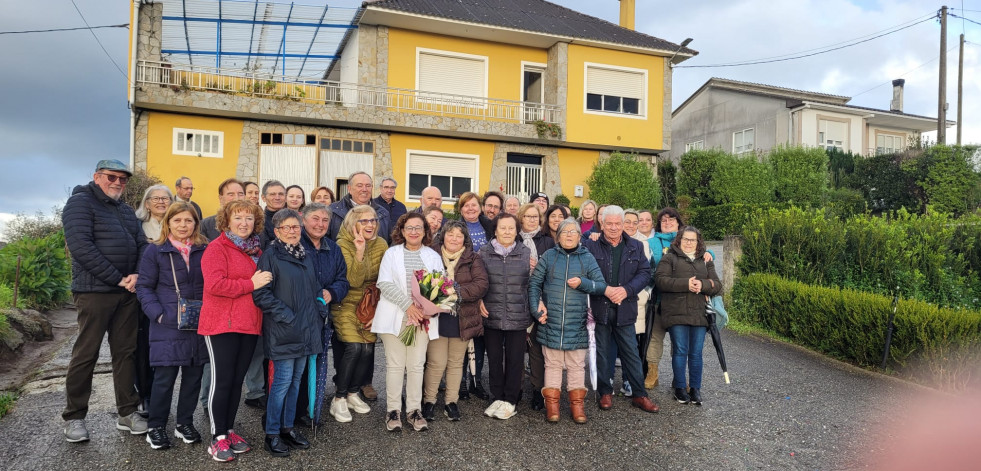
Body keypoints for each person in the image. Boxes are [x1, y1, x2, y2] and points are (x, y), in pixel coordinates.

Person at [62, 159, 148, 443]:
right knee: (86, 354)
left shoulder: (125, 211)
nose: (117, 183)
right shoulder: (80, 203)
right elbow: (81, 247)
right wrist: (117, 278)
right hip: (94, 292)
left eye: (123, 180)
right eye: (112, 177)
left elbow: (141, 244)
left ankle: (127, 412)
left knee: (126, 353)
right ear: (97, 176)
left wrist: (136, 273)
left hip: (126, 293)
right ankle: (74, 416)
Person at [199, 199, 271, 462]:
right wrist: (250, 284)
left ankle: (228, 430)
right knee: (222, 380)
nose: (244, 223)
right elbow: (215, 285)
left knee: (237, 381)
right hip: (221, 324)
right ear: (227, 221)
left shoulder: (254, 251)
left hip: (249, 324)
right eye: (238, 217)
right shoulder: (217, 248)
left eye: (249, 218)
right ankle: (217, 438)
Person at [252, 208, 326, 457]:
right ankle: (271, 433)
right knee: (281, 383)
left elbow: (315, 288)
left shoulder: (305, 255)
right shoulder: (270, 256)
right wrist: (288, 317)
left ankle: (287, 428)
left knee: (295, 383)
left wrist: (319, 310)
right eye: (287, 227)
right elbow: (261, 294)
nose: (293, 231)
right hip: (284, 330)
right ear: (277, 231)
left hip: (306, 330)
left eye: (296, 227)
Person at [135, 202, 208, 450]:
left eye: (188, 221)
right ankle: (156, 426)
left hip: (198, 322)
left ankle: (184, 422)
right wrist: (157, 314)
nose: (183, 225)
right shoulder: (154, 251)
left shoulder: (204, 249)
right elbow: (144, 286)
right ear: (168, 223)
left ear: (195, 224)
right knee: (164, 378)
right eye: (177, 221)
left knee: (193, 376)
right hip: (167, 322)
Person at [581, 206, 659, 413]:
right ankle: (605, 392)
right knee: (603, 352)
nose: (614, 227)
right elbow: (584, 275)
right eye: (609, 224)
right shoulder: (590, 245)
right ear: (602, 224)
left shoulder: (635, 246)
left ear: (623, 224)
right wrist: (605, 290)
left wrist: (626, 290)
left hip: (626, 307)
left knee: (631, 352)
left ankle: (639, 394)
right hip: (601, 307)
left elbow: (644, 273)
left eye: (618, 223)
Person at [528, 218, 607, 423]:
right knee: (552, 364)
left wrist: (583, 283)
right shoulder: (549, 256)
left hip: (578, 322)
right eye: (565, 232)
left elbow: (601, 285)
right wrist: (536, 308)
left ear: (580, 236)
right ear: (558, 236)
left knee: (576, 365)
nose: (569, 235)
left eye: (573, 232)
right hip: (551, 320)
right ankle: (552, 406)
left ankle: (577, 407)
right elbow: (534, 284)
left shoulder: (587, 258)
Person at [372, 213, 444, 432]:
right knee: (395, 365)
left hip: (421, 320)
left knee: (415, 366)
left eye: (418, 228)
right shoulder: (391, 254)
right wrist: (408, 306)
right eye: (409, 228)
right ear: (401, 231)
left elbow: (439, 287)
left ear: (425, 231)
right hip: (395, 316)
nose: (414, 232)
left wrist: (424, 310)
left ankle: (414, 410)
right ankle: (393, 410)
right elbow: (384, 283)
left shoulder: (432, 256)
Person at [422, 220, 489, 422]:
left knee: (455, 363)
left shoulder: (473, 258)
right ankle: (429, 401)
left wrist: (455, 291)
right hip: (437, 317)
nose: (454, 239)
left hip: (462, 317)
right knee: (436, 362)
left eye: (459, 236)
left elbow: (481, 285)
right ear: (443, 235)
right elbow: (423, 280)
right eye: (450, 234)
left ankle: (451, 402)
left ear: (464, 239)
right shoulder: (431, 254)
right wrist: (438, 293)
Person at [643, 207, 712, 390]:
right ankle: (653, 372)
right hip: (657, 298)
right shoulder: (651, 242)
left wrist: (709, 254)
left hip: (681, 304)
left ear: (678, 223)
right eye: (663, 220)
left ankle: (678, 379)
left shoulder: (686, 240)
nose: (667, 223)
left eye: (671, 220)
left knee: (679, 342)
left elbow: (703, 254)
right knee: (655, 338)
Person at [331, 205, 387, 423]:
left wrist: (379, 307)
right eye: (364, 221)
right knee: (354, 348)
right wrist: (360, 251)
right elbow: (353, 280)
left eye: (372, 220)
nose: (370, 225)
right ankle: (339, 398)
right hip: (345, 303)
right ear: (353, 223)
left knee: (367, 349)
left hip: (370, 303)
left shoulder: (381, 243)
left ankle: (353, 393)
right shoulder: (342, 243)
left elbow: (384, 278)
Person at [296, 203, 349, 427]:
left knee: (315, 365)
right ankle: (292, 414)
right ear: (304, 220)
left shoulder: (333, 248)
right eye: (315, 219)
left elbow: (343, 280)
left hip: (322, 317)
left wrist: (332, 291)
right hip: (297, 317)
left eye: (325, 220)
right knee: (295, 367)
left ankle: (309, 410)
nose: (320, 224)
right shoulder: (295, 245)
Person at [654, 226, 721, 406]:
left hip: (699, 313)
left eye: (693, 240)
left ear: (698, 242)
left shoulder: (706, 260)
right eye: (686, 239)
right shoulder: (669, 257)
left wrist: (703, 285)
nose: (689, 243)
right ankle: (680, 388)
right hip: (675, 311)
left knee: (696, 353)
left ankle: (696, 389)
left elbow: (717, 285)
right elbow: (660, 280)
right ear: (679, 240)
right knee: (681, 350)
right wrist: (686, 284)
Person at [479, 213, 532, 420]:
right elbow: (479, 281)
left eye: (511, 228)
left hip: (518, 314)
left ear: (517, 230)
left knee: (515, 359)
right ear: (495, 230)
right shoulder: (483, 253)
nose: (507, 232)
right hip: (491, 313)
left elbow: (531, 285)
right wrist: (478, 300)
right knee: (494, 358)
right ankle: (497, 396)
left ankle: (511, 399)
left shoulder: (525, 253)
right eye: (503, 228)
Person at [515, 202, 555, 411]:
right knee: (516, 348)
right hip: (517, 299)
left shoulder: (548, 241)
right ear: (520, 218)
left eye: (535, 216)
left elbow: (554, 269)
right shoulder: (514, 238)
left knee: (537, 349)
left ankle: (538, 390)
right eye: (527, 216)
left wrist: (538, 266)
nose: (531, 220)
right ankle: (517, 387)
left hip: (541, 299)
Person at [456, 191, 494, 400]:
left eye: (474, 205)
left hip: (489, 286)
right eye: (466, 206)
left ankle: (476, 380)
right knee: (464, 334)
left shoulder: (490, 225)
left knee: (480, 337)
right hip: (465, 288)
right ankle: (461, 381)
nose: (470, 209)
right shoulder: (454, 228)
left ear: (480, 207)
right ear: (460, 209)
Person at [326, 171, 391, 244]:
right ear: (349, 189)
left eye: (368, 185)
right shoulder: (332, 211)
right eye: (359, 186)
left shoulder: (383, 213)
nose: (364, 189)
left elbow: (389, 242)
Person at [260, 180, 287, 247]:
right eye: (272, 194)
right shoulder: (259, 221)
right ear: (263, 198)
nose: (277, 198)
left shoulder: (294, 219)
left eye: (280, 194)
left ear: (286, 197)